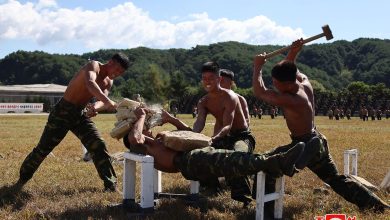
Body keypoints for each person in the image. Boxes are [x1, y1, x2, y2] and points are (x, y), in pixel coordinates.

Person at [252, 39, 389, 212]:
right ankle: (375, 205)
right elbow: (290, 66)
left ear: (286, 84)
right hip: (316, 140)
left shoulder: (292, 100)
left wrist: (257, 66)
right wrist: (294, 52)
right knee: (335, 179)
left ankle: (266, 209)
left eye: (275, 82)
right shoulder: (304, 83)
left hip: (304, 144)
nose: (274, 84)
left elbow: (260, 92)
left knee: (267, 163)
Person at [16, 53, 130, 192]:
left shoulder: (108, 81)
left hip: (80, 114)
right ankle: (22, 179)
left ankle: (110, 184)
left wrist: (95, 107)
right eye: (117, 70)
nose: (117, 74)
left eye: (121, 73)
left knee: (98, 145)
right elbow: (90, 83)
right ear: (111, 62)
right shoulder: (93, 65)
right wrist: (107, 102)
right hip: (63, 111)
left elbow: (102, 99)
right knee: (43, 149)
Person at [123, 107, 307, 191]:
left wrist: (172, 119)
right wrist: (139, 117)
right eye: (142, 125)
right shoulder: (139, 143)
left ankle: (281, 158)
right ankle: (276, 162)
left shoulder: (157, 139)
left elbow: (190, 135)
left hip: (193, 155)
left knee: (232, 158)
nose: (146, 125)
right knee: (229, 160)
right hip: (187, 161)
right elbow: (135, 137)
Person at [191, 62, 255, 205]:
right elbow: (199, 122)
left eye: (211, 78)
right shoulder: (203, 101)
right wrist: (192, 136)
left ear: (219, 79)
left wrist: (213, 139)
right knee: (200, 154)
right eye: (204, 78)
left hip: (241, 136)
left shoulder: (230, 96)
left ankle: (243, 196)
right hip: (224, 136)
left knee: (238, 155)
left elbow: (227, 125)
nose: (207, 81)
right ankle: (212, 187)